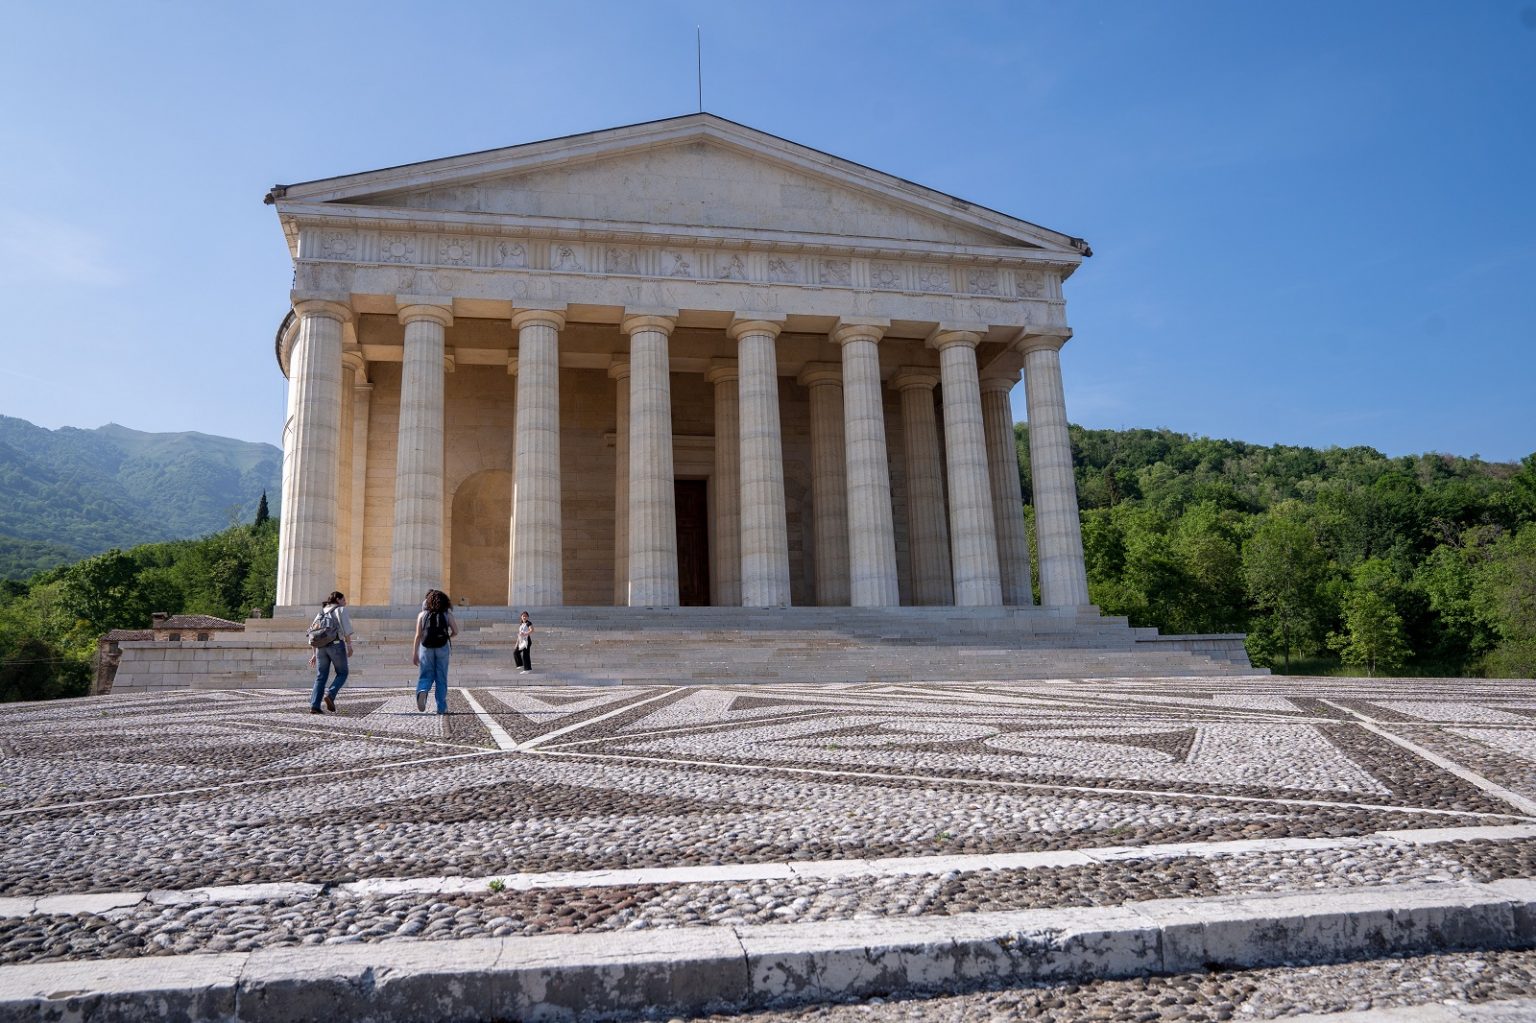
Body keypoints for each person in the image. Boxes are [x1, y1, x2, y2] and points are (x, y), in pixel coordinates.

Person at [308, 591, 355, 714]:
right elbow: (346, 629)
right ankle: (330, 694)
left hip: (320, 648)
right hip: (335, 645)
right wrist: (349, 645)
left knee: (320, 676)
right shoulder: (340, 610)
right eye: (344, 600)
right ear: (338, 600)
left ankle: (314, 705)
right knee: (343, 672)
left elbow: (313, 633)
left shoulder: (321, 612)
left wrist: (313, 654)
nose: (345, 602)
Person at [412, 589, 458, 715]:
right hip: (442, 647)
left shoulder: (422, 615)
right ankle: (441, 707)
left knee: (426, 674)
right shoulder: (447, 615)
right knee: (441, 677)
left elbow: (418, 635)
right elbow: (456, 631)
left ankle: (423, 690)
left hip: (425, 647)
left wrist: (415, 653)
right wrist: (447, 636)